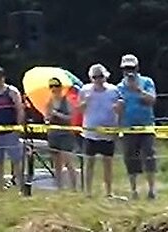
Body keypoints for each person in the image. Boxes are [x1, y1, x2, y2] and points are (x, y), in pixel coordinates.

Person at [114, 53, 158, 200]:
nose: (129, 72)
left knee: (149, 156)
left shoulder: (146, 82)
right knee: (130, 158)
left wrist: (138, 90)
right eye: (126, 69)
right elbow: (116, 109)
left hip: (146, 125)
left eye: (131, 68)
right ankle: (134, 190)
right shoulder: (118, 87)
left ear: (137, 68)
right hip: (128, 127)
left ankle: (152, 189)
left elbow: (152, 100)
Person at [79, 64, 118, 197]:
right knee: (89, 163)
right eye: (95, 77)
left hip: (108, 132)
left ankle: (109, 192)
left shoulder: (113, 90)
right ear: (91, 78)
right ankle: (88, 192)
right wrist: (85, 102)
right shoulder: (85, 90)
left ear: (105, 76)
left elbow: (119, 108)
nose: (98, 80)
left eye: (100, 76)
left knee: (108, 163)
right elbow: (78, 110)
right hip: (90, 132)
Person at [45, 77, 78, 190]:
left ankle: (74, 187)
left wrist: (57, 114)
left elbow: (70, 117)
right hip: (53, 134)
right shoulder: (49, 102)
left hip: (65, 134)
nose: (54, 89)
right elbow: (46, 117)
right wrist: (48, 118)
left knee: (68, 161)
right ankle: (59, 186)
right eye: (52, 87)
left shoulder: (66, 101)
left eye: (56, 86)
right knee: (57, 163)